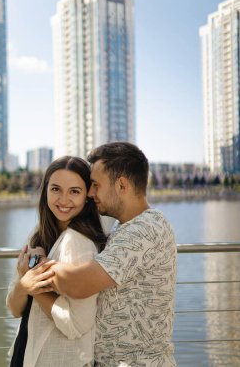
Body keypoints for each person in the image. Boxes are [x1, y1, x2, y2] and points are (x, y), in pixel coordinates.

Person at [36, 142, 177, 366]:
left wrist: (35, 266)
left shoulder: (143, 231)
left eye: (95, 185)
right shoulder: (129, 226)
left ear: (121, 185)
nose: (91, 194)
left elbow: (78, 284)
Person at [6, 156, 107, 367]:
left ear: (87, 196)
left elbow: (76, 324)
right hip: (28, 349)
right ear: (45, 191)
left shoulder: (78, 243)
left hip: (58, 359)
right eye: (56, 189)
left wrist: (32, 287)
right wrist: (23, 285)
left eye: (74, 191)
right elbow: (15, 309)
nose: (63, 200)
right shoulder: (39, 234)